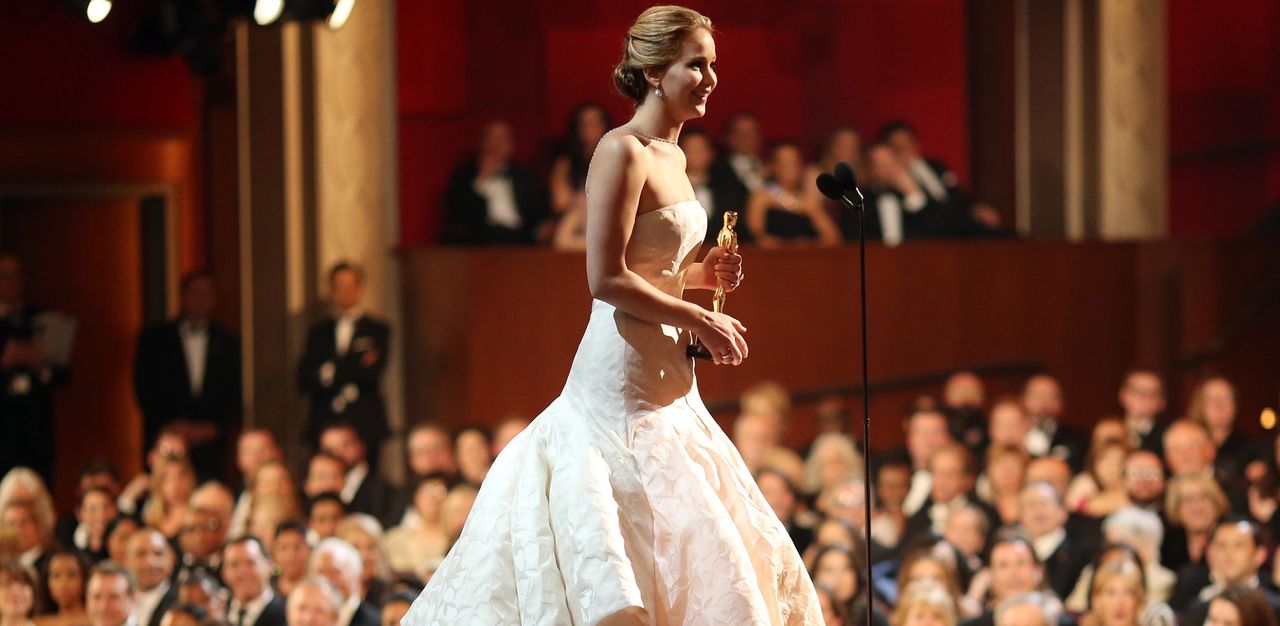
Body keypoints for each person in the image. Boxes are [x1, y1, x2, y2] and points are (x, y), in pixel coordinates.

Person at [401, 6, 820, 625]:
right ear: (653, 71)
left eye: (712, 65)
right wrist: (698, 318)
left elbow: (660, 264)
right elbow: (605, 277)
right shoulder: (620, 151)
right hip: (622, 378)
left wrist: (706, 276)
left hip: (672, 378)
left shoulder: (675, 158)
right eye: (695, 65)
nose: (709, 79)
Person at [133, 271, 242, 481]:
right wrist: (171, 426)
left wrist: (213, 427)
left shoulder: (229, 341)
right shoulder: (155, 339)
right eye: (195, 293)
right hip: (165, 438)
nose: (200, 299)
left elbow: (235, 390)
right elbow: (144, 386)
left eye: (206, 294)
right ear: (182, 297)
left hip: (210, 446)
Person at [298, 263, 390, 470]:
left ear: (359, 289)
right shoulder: (318, 332)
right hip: (324, 418)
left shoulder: (377, 329)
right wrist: (354, 364)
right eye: (339, 286)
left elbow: (370, 374)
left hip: (365, 420)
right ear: (330, 290)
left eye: (350, 286)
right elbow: (305, 378)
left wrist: (329, 372)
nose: (345, 292)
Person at [0, 254, 70, 485]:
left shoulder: (41, 318)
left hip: (35, 426)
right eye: (4, 277)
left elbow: (63, 374)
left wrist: (41, 364)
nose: (11, 283)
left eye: (15, 276)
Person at [441, 120, 546, 245]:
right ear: (482, 143)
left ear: (511, 145)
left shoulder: (524, 175)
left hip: (520, 238)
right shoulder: (465, 175)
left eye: (501, 139)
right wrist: (481, 179)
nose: (496, 144)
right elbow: (459, 215)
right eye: (491, 138)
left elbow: (538, 211)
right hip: (482, 240)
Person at [744, 142, 841, 247]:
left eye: (794, 163)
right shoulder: (761, 197)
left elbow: (833, 236)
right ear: (773, 166)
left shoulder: (808, 201)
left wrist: (808, 245)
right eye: (785, 163)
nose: (790, 168)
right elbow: (756, 234)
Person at [220, 537, 285, 626]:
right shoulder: (218, 612)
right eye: (234, 565)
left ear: (269, 565)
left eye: (251, 562)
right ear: (224, 573)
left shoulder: (287, 615)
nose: (242, 572)